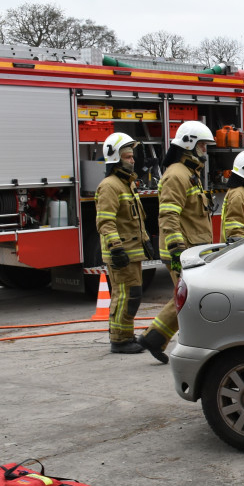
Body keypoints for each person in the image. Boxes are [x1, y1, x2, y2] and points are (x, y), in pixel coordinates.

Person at [137, 121, 216, 364]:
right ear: (188, 145)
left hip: (193, 248)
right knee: (190, 299)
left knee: (185, 297)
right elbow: (168, 215)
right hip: (183, 250)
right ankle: (192, 349)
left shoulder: (190, 173)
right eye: (202, 144)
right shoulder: (176, 175)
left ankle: (153, 337)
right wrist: (175, 249)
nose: (205, 149)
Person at [95, 133, 151, 354]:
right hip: (121, 251)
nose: (133, 160)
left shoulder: (126, 184)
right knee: (126, 295)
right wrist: (116, 248)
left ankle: (125, 334)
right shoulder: (110, 186)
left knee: (132, 294)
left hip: (132, 251)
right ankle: (119, 340)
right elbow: (105, 221)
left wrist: (146, 241)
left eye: (132, 156)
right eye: (128, 156)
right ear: (116, 159)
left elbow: (136, 218)